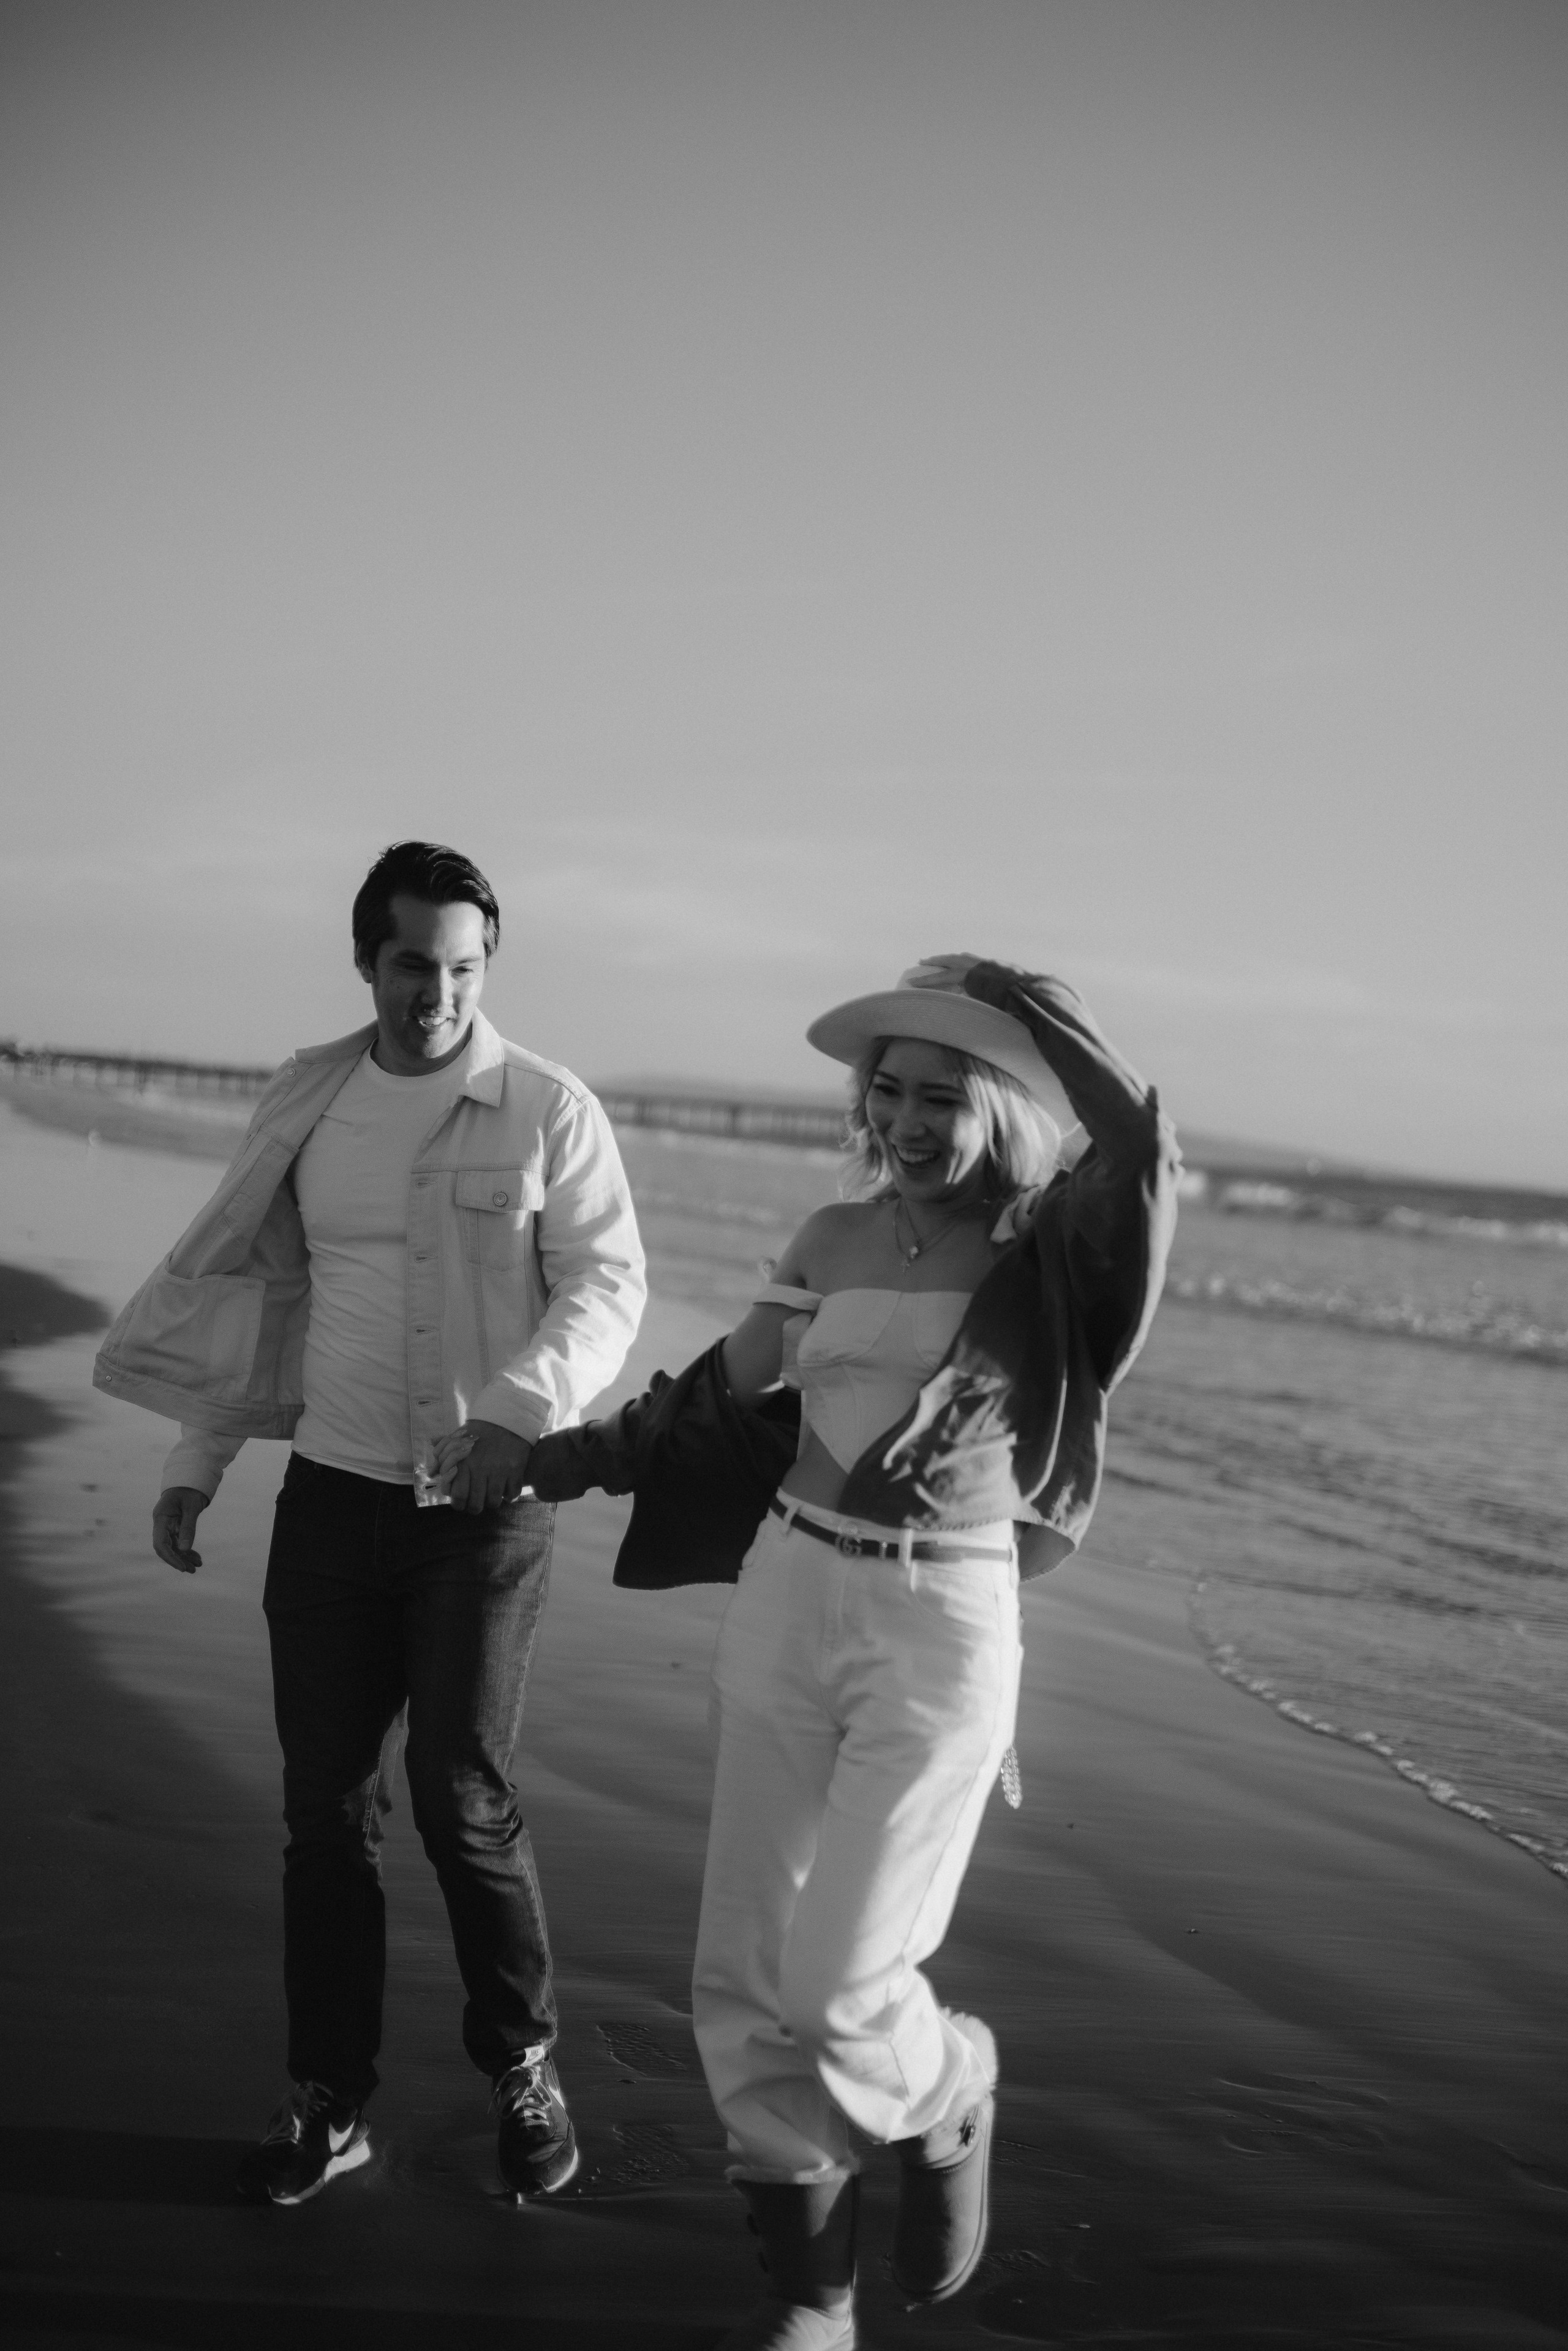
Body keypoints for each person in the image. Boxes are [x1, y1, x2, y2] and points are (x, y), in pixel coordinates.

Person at [520, 954, 1180, 2350]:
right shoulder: (829, 1234)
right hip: (785, 1593)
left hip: (939, 1625)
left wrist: (1012, 998)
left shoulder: (1050, 1248)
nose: (906, 1119)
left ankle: (945, 2088)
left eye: (944, 1093)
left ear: (1002, 1103)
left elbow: (1135, 1143)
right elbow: (721, 1386)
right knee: (743, 1972)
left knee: (843, 1986)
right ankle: (809, 2304)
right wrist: (558, 1458)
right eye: (886, 1089)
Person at [93, 840, 646, 2207]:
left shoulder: (546, 1108)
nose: (437, 993)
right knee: (324, 1812)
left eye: (464, 967)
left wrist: (519, 1409)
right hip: (332, 1501)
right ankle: (328, 2099)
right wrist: (197, 1453)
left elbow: (607, 1284)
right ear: (366, 961)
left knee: (464, 1798)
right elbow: (259, 1294)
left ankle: (521, 2062)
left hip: (482, 1506)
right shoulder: (314, 1101)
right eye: (413, 963)